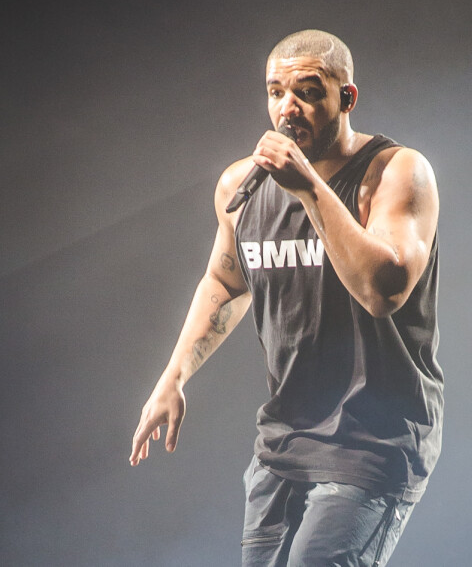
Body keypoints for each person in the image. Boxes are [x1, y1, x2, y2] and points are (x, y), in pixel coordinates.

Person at [130, 29, 443, 566]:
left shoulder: (397, 172)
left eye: (307, 91)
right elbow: (226, 282)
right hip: (285, 439)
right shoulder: (240, 186)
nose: (287, 107)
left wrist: (308, 187)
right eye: (276, 92)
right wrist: (173, 376)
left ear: (346, 98)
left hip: (374, 442)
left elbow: (383, 291)